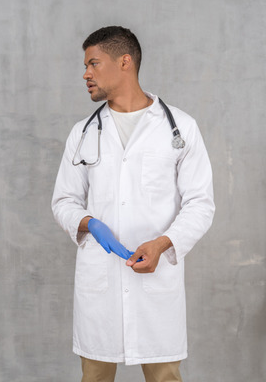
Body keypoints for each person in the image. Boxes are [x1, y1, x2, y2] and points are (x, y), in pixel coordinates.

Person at [51, 26, 215, 382]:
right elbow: (64, 200)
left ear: (124, 62)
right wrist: (88, 222)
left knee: (164, 377)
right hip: (101, 282)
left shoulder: (180, 128)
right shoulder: (82, 132)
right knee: (94, 377)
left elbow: (201, 204)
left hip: (156, 282)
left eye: (93, 63)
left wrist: (162, 244)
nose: (86, 74)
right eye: (85, 66)